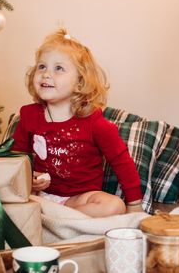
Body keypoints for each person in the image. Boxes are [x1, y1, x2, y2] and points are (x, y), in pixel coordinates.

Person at [11, 28, 143, 217]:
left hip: (78, 200)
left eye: (59, 68)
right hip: (38, 196)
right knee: (4, 198)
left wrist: (135, 203)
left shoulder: (94, 122)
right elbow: (17, 156)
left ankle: (55, 217)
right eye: (42, 67)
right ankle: (57, 219)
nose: (47, 74)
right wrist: (30, 177)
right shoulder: (29, 115)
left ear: (80, 82)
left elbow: (121, 162)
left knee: (115, 206)